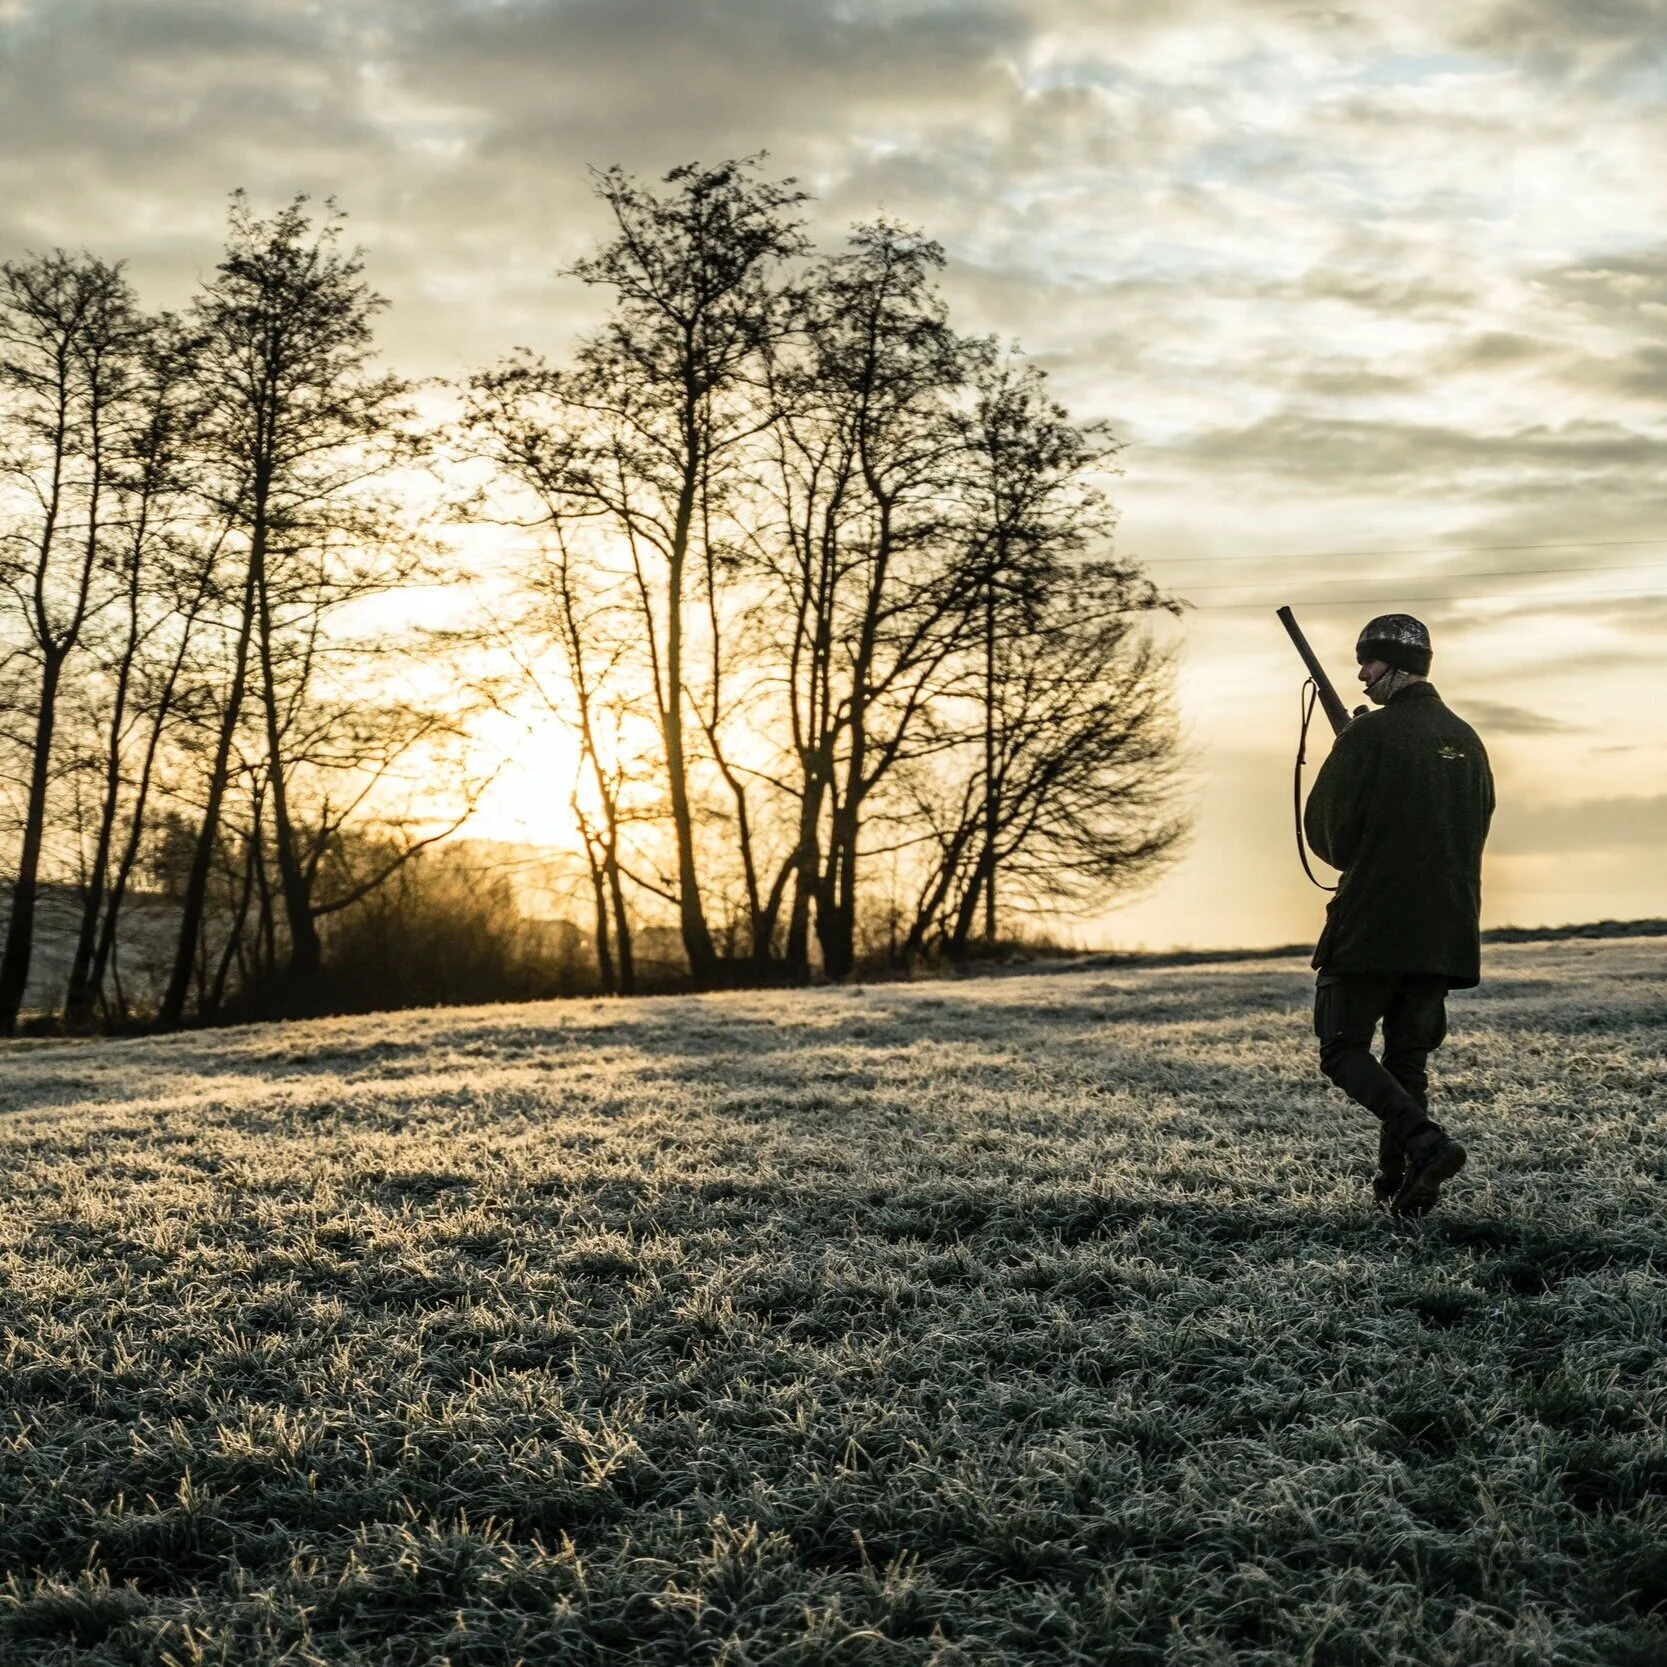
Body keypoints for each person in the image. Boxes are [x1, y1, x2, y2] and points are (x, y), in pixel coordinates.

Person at [1303, 614, 1495, 1216]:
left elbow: (1330, 836)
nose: (1361, 675)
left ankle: (1428, 1144)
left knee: (1342, 1049)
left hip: (1374, 922)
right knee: (1406, 1061)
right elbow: (1474, 827)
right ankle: (1399, 1187)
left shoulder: (1369, 735)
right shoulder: (1468, 739)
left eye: (1368, 662)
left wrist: (1350, 751)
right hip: (1446, 928)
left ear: (1395, 665)